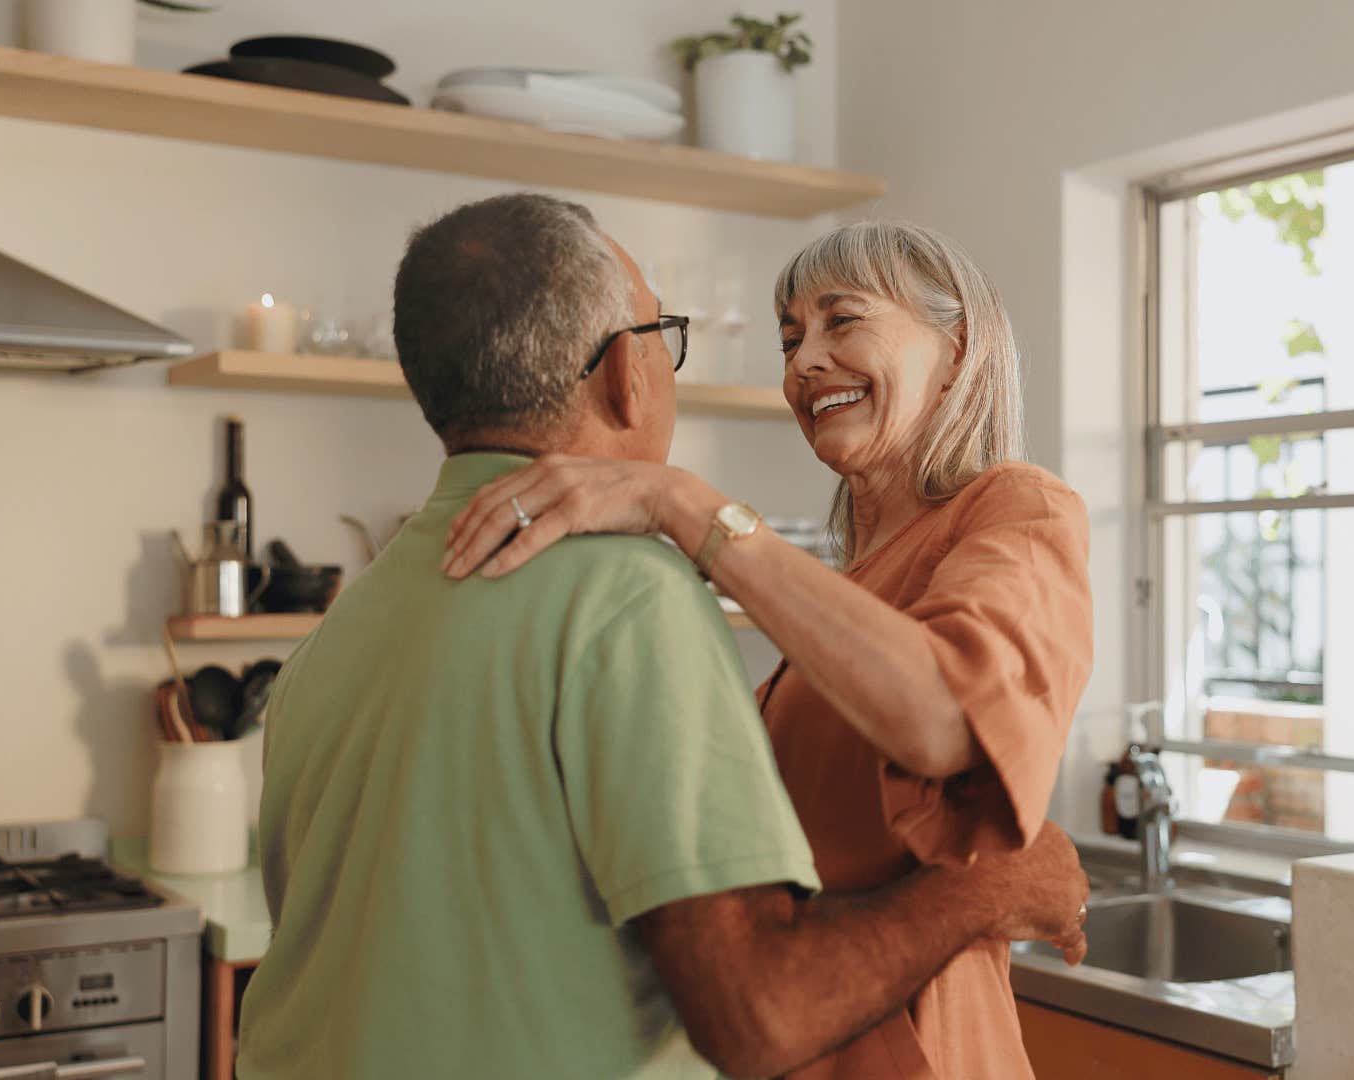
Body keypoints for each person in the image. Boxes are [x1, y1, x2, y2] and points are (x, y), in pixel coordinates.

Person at [234, 194, 1088, 1080]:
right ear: (625, 376)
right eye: (790, 335)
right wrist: (994, 887)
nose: (805, 361)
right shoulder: (644, 598)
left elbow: (948, 713)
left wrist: (677, 500)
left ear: (957, 351)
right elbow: (746, 994)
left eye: (842, 319)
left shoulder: (347, 625)